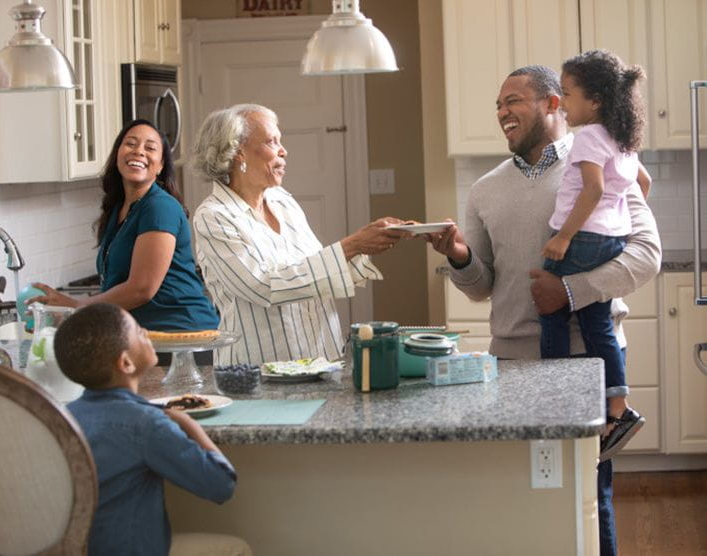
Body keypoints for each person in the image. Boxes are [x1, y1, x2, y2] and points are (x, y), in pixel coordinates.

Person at [428, 65, 661, 556]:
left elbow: (645, 254)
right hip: (511, 367)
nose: (501, 113)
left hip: (585, 361)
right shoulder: (484, 190)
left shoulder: (600, 160)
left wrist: (570, 292)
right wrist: (459, 257)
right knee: (519, 502)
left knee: (587, 499)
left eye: (513, 100)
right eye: (497, 105)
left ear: (555, 104)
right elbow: (481, 287)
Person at [189, 103, 408, 365]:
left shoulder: (283, 201)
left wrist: (369, 242)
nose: (284, 151)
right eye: (272, 142)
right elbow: (263, 287)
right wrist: (352, 245)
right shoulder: (214, 216)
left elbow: (313, 266)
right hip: (259, 371)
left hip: (321, 358)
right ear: (237, 152)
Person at [53, 303, 241, 555]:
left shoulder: (63, 418)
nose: (147, 333)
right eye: (139, 331)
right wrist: (188, 424)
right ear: (126, 363)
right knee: (235, 548)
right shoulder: (146, 423)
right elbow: (221, 484)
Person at [541, 50, 652, 461]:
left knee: (550, 306)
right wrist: (616, 220)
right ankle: (617, 408)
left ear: (595, 101)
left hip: (581, 237)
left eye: (567, 94)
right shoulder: (620, 137)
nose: (563, 104)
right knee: (596, 320)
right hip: (610, 237)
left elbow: (592, 190)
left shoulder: (588, 136)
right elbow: (644, 182)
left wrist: (564, 239)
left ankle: (552, 396)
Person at [28, 119, 218, 332]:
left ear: (161, 166)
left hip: (181, 336)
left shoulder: (160, 207)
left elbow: (141, 289)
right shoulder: (119, 208)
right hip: (141, 336)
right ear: (117, 154)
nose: (139, 151)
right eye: (131, 144)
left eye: (150, 148)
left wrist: (74, 308)